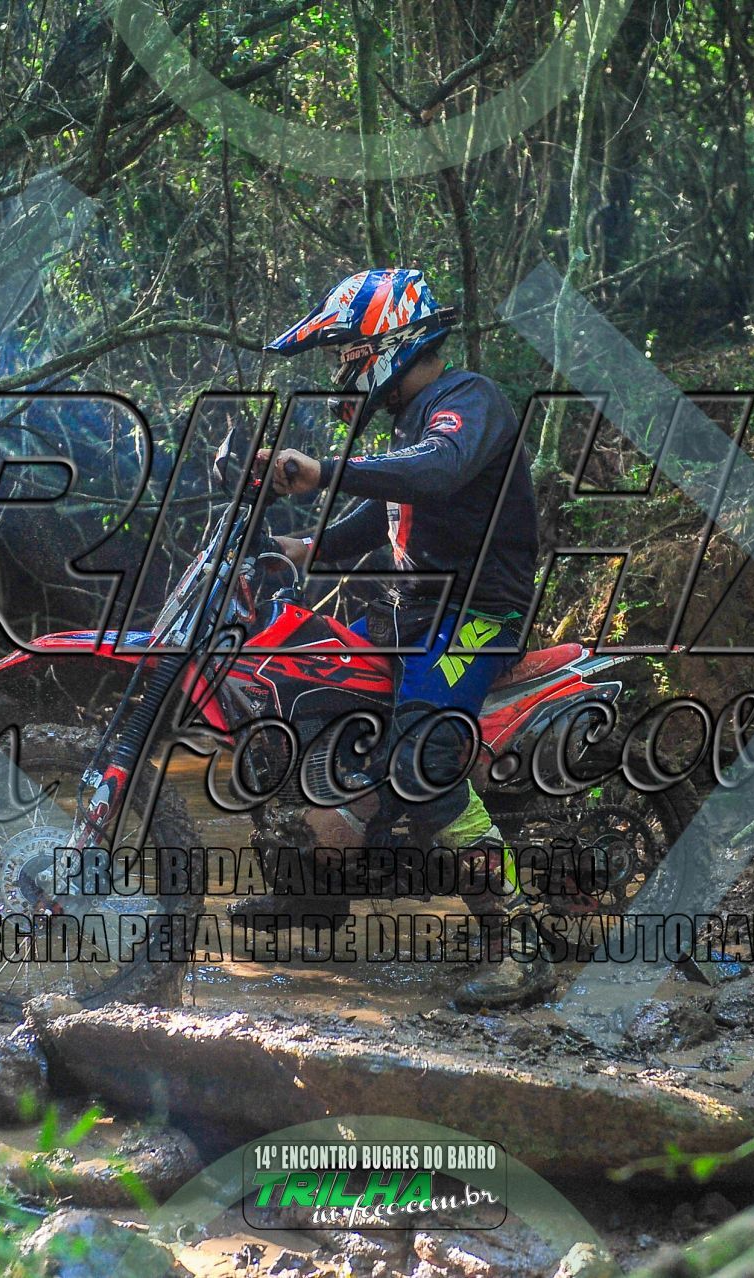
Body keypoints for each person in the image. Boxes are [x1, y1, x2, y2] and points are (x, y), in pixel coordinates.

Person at [241, 267, 555, 1010]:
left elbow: (436, 473)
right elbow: (384, 517)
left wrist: (325, 471)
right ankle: (317, 895)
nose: (341, 368)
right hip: (413, 613)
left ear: (387, 341)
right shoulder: (410, 425)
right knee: (307, 691)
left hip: (481, 614)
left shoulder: (467, 401)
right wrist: (296, 550)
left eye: (346, 352)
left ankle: (520, 944)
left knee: (423, 753)